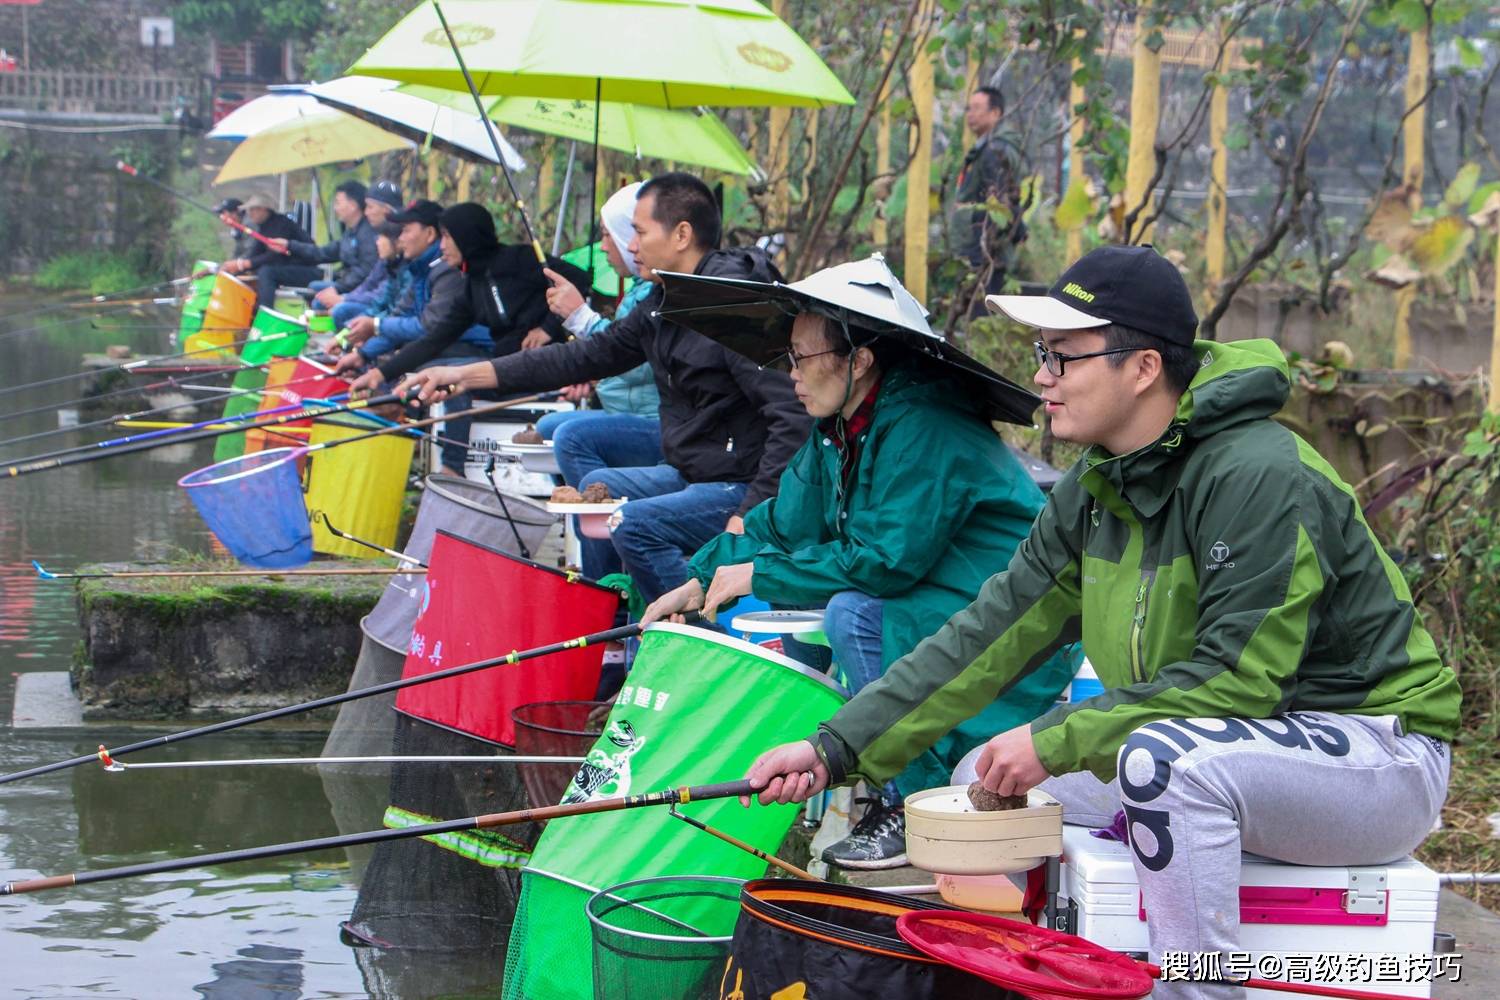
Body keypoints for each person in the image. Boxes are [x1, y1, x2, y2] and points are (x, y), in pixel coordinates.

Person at [743, 246, 1460, 999]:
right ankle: (1051, 974)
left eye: (1063, 357)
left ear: (1143, 367)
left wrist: (1055, 741)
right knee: (981, 779)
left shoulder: (1258, 473)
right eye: (1040, 354)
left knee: (1163, 763)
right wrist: (835, 747)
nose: (1042, 378)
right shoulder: (1097, 484)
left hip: (1374, 757)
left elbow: (1235, 678)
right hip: (1209, 749)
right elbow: (985, 634)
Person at [641, 254, 1078, 869]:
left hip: (1013, 624)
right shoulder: (839, 430)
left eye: (802, 357)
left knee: (854, 614)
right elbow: (782, 524)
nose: (789, 374)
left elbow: (884, 563)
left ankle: (913, 798)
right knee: (836, 615)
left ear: (859, 359)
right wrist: (702, 576)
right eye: (787, 357)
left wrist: (757, 576)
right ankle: (852, 776)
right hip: (941, 604)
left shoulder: (926, 424)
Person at [398, 173, 809, 602]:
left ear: (682, 234)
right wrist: (464, 375)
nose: (631, 246)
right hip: (694, 469)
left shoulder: (733, 304)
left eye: (640, 233)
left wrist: (750, 513)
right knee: (595, 491)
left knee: (631, 522)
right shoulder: (665, 300)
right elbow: (583, 357)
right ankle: (615, 614)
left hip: (742, 483)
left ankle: (695, 629)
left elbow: (793, 417)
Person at [335, 200, 495, 476]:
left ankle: (452, 466)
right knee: (415, 362)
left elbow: (427, 328)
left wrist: (376, 328)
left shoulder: (446, 270)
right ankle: (404, 433)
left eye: (406, 230)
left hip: (479, 351)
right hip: (444, 346)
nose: (400, 238)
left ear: (430, 234)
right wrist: (363, 355)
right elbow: (399, 316)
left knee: (442, 371)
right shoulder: (420, 268)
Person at [534, 181, 661, 482]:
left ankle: (604, 516)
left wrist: (581, 318)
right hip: (624, 411)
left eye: (607, 234)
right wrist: (591, 377)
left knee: (570, 436)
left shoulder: (656, 294)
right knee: (547, 428)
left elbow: (633, 360)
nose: (603, 246)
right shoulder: (638, 290)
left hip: (653, 420)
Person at [953, 86, 1028, 298]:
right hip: (983, 247)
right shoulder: (987, 148)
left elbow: (999, 201)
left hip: (986, 250)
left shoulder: (995, 151)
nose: (971, 114)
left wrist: (982, 252)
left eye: (977, 108)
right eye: (969, 108)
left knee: (983, 308)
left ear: (996, 113)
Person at [277, 180, 377, 310]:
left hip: (361, 290)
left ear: (352, 205)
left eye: (338, 203)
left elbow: (364, 272)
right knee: (314, 287)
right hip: (348, 284)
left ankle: (323, 328)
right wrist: (290, 245)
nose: (335, 208)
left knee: (319, 300)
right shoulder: (350, 233)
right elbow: (321, 253)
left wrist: (337, 288)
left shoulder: (367, 234)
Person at [220, 193, 319, 310]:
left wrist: (245, 264)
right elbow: (254, 254)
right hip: (287, 269)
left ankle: (265, 311)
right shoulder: (264, 227)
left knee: (267, 272)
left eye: (252, 210)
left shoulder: (281, 224)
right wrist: (236, 266)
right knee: (253, 272)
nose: (249, 214)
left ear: (263, 209)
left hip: (306, 270)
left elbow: (275, 256)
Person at [330, 219, 402, 331]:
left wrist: (344, 299)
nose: (377, 242)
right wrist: (345, 298)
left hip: (388, 320)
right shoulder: (386, 261)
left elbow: (380, 296)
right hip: (381, 314)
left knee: (341, 310)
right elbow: (369, 284)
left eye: (381, 238)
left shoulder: (403, 268)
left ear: (396, 242)